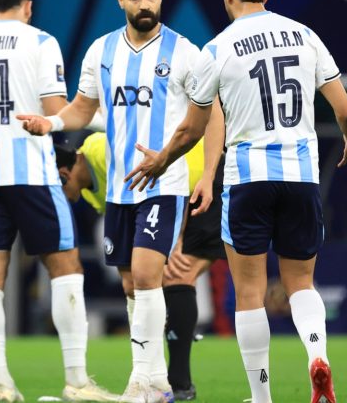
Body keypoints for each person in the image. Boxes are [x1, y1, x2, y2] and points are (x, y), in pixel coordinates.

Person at [125, 0, 347, 403]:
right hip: (301, 176)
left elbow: (192, 129)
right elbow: (346, 111)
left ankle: (261, 396)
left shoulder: (217, 49)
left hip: (248, 179)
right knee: (301, 283)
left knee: (249, 292)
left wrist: (162, 160)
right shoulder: (305, 36)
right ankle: (317, 355)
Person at [18, 0, 219, 403]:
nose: (145, 4)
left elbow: (210, 112)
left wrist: (199, 170)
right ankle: (158, 382)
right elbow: (82, 109)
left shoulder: (185, 52)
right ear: (121, 1)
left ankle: (141, 382)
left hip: (164, 182)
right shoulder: (101, 51)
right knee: (131, 285)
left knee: (147, 276)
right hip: (119, 190)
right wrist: (51, 123)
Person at [0, 0, 117, 403]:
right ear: (28, 7)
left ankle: (1, 384)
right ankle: (77, 382)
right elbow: (56, 112)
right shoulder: (40, 41)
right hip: (32, 173)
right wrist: (107, 119)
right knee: (66, 267)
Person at [55, 131, 226, 401]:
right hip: (171, 195)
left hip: (201, 178)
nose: (60, 199)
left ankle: (178, 383)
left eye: (56, 190)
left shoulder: (99, 149)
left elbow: (173, 173)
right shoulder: (91, 193)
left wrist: (175, 238)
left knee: (179, 273)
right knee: (138, 282)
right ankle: (153, 375)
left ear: (63, 173)